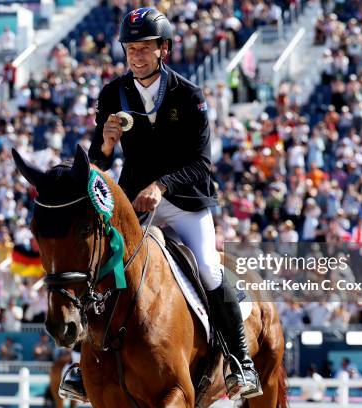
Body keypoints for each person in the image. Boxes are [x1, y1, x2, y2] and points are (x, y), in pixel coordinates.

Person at [82, 7, 261, 401]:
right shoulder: (113, 93)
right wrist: (107, 143)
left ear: (164, 49)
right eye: (130, 49)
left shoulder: (188, 96)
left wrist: (161, 185)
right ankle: (88, 366)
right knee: (101, 268)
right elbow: (98, 162)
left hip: (184, 202)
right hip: (134, 203)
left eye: (144, 48)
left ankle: (240, 361)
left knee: (210, 269)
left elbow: (201, 163)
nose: (136, 56)